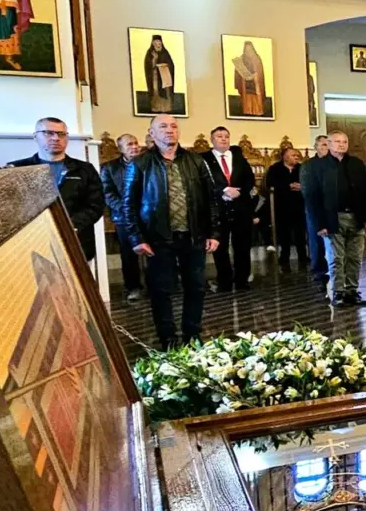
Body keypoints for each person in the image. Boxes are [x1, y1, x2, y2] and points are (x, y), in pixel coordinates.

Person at [116, 114, 220, 348]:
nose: (169, 130)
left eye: (173, 126)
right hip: (157, 239)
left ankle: (192, 335)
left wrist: (214, 233)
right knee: (161, 291)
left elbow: (211, 200)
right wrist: (136, 237)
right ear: (152, 133)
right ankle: (168, 339)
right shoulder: (140, 163)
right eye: (163, 126)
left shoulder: (195, 161)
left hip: (193, 236)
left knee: (196, 287)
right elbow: (128, 204)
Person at [7, 116, 106, 260]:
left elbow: (96, 205)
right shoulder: (17, 169)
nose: (56, 138)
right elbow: (11, 208)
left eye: (61, 134)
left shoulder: (84, 169)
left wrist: (69, 225)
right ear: (35, 137)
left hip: (77, 243)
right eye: (48, 133)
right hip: (32, 245)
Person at [302, 131, 366, 306]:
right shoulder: (317, 166)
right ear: (328, 144)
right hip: (332, 218)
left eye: (344, 141)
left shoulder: (356, 164)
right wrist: (319, 224)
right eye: (337, 141)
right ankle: (338, 292)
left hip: (356, 217)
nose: (341, 145)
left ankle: (352, 291)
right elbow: (312, 197)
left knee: (355, 257)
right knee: (336, 258)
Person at [203, 126, 258, 291]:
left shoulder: (238, 157)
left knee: (242, 246)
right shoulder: (204, 158)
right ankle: (224, 281)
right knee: (220, 247)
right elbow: (203, 181)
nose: (223, 139)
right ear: (212, 139)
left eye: (226, 136)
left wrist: (239, 191)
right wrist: (223, 190)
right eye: (219, 136)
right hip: (217, 209)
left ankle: (242, 280)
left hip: (240, 207)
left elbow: (249, 179)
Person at [100, 133, 146, 299]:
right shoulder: (109, 168)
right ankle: (133, 287)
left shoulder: (148, 163)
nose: (134, 147)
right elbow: (108, 193)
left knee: (154, 251)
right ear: (120, 149)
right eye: (129, 145)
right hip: (124, 217)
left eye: (136, 143)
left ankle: (156, 286)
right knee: (128, 254)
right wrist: (126, 209)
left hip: (148, 215)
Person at [264, 146, 308, 270]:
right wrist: (288, 186)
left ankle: (303, 256)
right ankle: (284, 256)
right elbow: (270, 184)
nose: (296, 157)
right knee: (284, 233)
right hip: (282, 205)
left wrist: (301, 186)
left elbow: (309, 182)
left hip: (299, 204)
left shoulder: (302, 168)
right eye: (293, 155)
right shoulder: (275, 169)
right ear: (284, 157)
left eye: (297, 155)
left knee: (300, 232)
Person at [306, 134, 332, 281]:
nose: (326, 148)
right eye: (323, 145)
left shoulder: (334, 163)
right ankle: (318, 268)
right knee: (316, 236)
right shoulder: (309, 165)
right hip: (315, 204)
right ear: (316, 147)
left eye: (328, 144)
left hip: (331, 204)